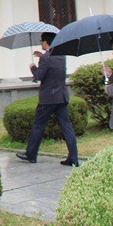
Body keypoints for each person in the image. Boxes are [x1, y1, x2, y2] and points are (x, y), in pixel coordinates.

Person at [15, 34, 79, 166]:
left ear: (46, 42)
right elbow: (51, 67)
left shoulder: (45, 58)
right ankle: (73, 157)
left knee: (38, 126)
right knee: (66, 127)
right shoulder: (61, 56)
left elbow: (39, 75)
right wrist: (41, 57)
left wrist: (33, 67)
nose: (41, 43)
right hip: (61, 96)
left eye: (42, 41)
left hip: (48, 99)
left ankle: (31, 154)